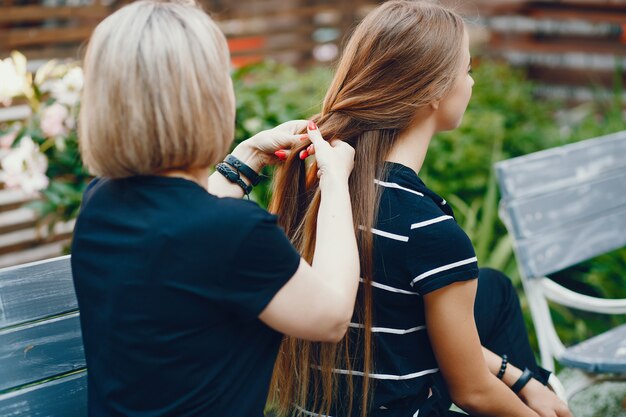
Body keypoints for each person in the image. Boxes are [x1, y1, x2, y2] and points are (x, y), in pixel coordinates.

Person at [268, 2, 573, 417]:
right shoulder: (427, 229)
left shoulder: (321, 180)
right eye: (466, 69)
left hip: (317, 404)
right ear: (432, 92)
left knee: (494, 288)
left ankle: (533, 383)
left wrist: (517, 377)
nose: (471, 81)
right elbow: (473, 393)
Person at [70, 1, 359, 416]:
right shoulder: (235, 231)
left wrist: (245, 160)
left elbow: (184, 225)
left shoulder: (100, 202)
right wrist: (335, 181)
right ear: (207, 99)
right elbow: (331, 317)